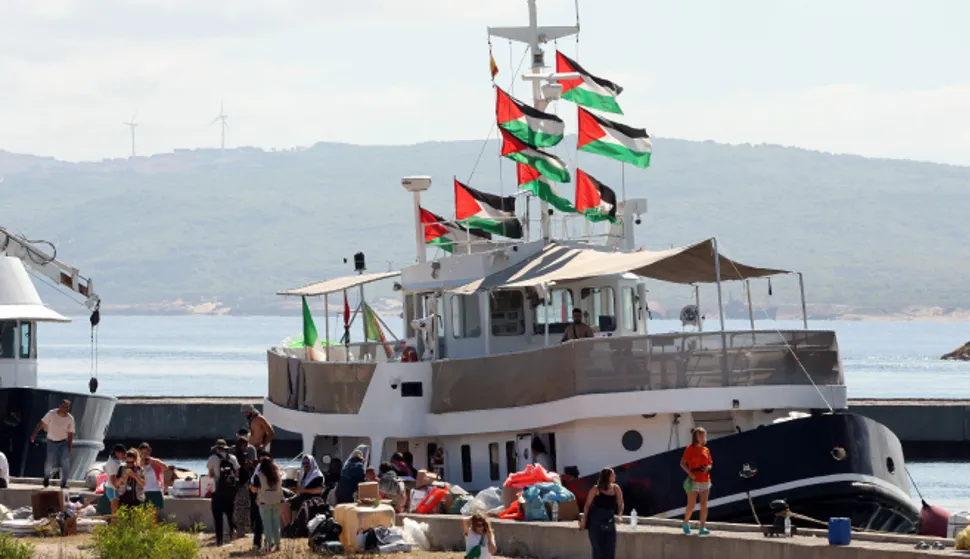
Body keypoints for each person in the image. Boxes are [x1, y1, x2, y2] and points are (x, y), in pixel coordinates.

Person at [29, 399, 75, 488]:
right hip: (51, 442)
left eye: (67, 407)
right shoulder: (51, 414)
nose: (65, 409)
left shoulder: (70, 419)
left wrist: (69, 446)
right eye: (64, 407)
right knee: (49, 461)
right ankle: (46, 478)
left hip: (63, 442)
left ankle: (64, 482)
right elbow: (42, 423)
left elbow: (71, 433)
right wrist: (34, 434)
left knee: (65, 461)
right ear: (59, 406)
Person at [580, 468, 623, 559]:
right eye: (613, 475)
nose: (615, 476)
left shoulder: (616, 488)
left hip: (609, 520)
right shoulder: (596, 489)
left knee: (610, 546)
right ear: (608, 477)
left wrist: (620, 515)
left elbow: (620, 504)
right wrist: (584, 520)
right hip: (596, 521)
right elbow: (587, 505)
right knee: (598, 548)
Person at [207, 439, 240, 547]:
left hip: (218, 491)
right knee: (230, 513)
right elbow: (236, 473)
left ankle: (219, 540)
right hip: (230, 491)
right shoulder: (233, 458)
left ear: (216, 448)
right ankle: (232, 534)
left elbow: (210, 474)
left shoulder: (212, 458)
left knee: (218, 516)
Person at [681, 427, 713, 536]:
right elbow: (682, 463)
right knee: (691, 505)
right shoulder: (690, 448)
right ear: (695, 437)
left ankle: (702, 527)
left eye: (704, 435)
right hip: (694, 479)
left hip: (705, 479)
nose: (702, 437)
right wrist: (689, 473)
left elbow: (710, 463)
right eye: (700, 435)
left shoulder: (706, 450)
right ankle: (686, 522)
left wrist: (708, 468)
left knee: (704, 504)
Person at [250, 452, 283, 554]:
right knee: (276, 524)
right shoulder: (277, 474)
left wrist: (250, 487)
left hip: (265, 502)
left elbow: (255, 489)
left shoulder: (259, 475)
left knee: (267, 525)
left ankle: (268, 547)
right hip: (277, 501)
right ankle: (278, 545)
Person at [231, 435, 261, 547]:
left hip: (241, 483)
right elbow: (240, 467)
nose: (246, 447)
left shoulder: (235, 454)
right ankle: (241, 531)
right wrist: (247, 463)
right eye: (244, 445)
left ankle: (240, 530)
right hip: (242, 483)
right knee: (242, 507)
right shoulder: (238, 456)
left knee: (240, 507)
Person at [282, 455, 324, 527]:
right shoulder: (303, 474)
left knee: (291, 504)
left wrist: (303, 490)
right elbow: (299, 489)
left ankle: (292, 527)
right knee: (284, 503)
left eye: (307, 463)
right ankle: (289, 526)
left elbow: (319, 490)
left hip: (312, 499)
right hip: (301, 496)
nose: (305, 465)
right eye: (304, 463)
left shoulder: (317, 475)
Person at [137, 443, 167, 521]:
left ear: (149, 451)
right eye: (142, 453)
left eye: (146, 452)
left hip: (155, 490)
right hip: (144, 491)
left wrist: (154, 461)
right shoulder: (139, 463)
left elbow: (165, 467)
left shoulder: (154, 461)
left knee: (154, 516)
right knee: (143, 515)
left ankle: (154, 528)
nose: (144, 455)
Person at [104, 444, 126, 514]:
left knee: (115, 512)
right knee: (115, 513)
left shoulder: (114, 461)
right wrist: (118, 488)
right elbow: (112, 478)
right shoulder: (112, 463)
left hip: (111, 488)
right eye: (122, 453)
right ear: (116, 453)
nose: (123, 455)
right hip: (113, 489)